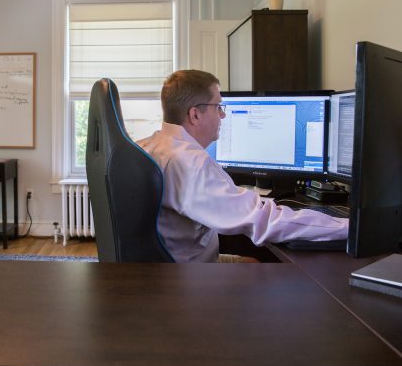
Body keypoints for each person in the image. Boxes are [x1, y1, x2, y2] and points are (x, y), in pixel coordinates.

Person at [137, 69, 349, 263]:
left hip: (168, 265)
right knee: (264, 273)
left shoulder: (146, 146)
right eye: (218, 107)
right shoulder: (191, 163)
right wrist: (349, 227)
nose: (223, 114)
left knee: (252, 262)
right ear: (195, 114)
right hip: (188, 277)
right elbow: (264, 222)